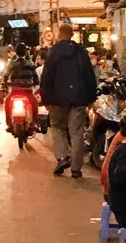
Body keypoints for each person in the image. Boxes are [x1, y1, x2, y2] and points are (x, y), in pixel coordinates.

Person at [40, 23, 97, 178]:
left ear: (59, 34)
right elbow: (89, 75)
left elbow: (47, 77)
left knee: (57, 127)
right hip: (78, 98)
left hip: (57, 99)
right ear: (72, 35)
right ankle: (76, 168)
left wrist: (45, 98)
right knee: (76, 132)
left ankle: (62, 157)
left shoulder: (54, 52)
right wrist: (91, 97)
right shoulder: (81, 52)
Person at [3, 44, 40, 130]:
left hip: (14, 91)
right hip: (28, 91)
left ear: (16, 52)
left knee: (7, 103)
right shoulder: (30, 63)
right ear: (25, 52)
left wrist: (5, 83)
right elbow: (35, 77)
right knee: (34, 103)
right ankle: (34, 123)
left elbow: (5, 76)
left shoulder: (12, 63)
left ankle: (9, 124)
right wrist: (35, 83)